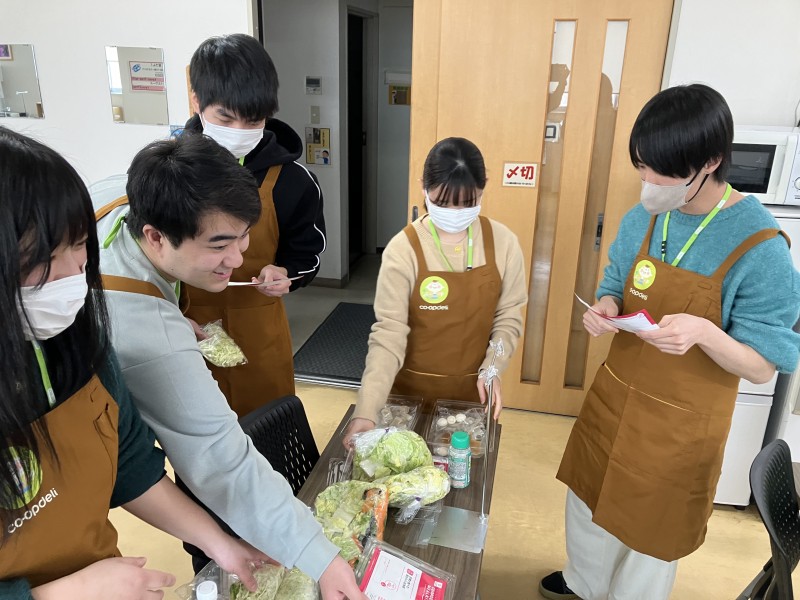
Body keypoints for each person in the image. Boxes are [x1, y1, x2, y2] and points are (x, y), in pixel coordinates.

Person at [539, 84, 800, 600]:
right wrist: (606, 306)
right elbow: (615, 284)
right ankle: (583, 584)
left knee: (650, 534)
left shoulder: (759, 245)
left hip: (680, 426)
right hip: (616, 401)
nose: (648, 182)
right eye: (641, 166)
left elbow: (761, 367)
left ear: (711, 162)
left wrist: (704, 332)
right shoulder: (643, 216)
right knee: (589, 502)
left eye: (661, 171)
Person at [92, 134, 365, 600]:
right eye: (219, 244)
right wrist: (320, 556)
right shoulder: (152, 337)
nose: (237, 259)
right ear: (155, 236)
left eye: (243, 237)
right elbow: (220, 457)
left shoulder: (120, 193)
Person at [0, 126, 268, 599]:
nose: (74, 273)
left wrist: (220, 544)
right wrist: (60, 593)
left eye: (80, 244)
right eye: (40, 258)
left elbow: (131, 465)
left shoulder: (77, 341)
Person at [343, 137, 528, 445]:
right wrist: (366, 410)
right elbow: (388, 334)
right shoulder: (403, 249)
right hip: (405, 400)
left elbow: (508, 317)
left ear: (484, 186)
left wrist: (493, 368)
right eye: (443, 203)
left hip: (469, 399)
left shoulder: (503, 242)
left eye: (467, 203)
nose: (455, 212)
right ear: (423, 187)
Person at [182, 33, 327, 417]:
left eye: (253, 120)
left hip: (260, 332)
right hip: (186, 332)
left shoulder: (294, 181)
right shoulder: (170, 173)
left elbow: (307, 254)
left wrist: (286, 273)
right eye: (225, 118)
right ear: (196, 101)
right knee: (197, 433)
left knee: (268, 428)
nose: (239, 131)